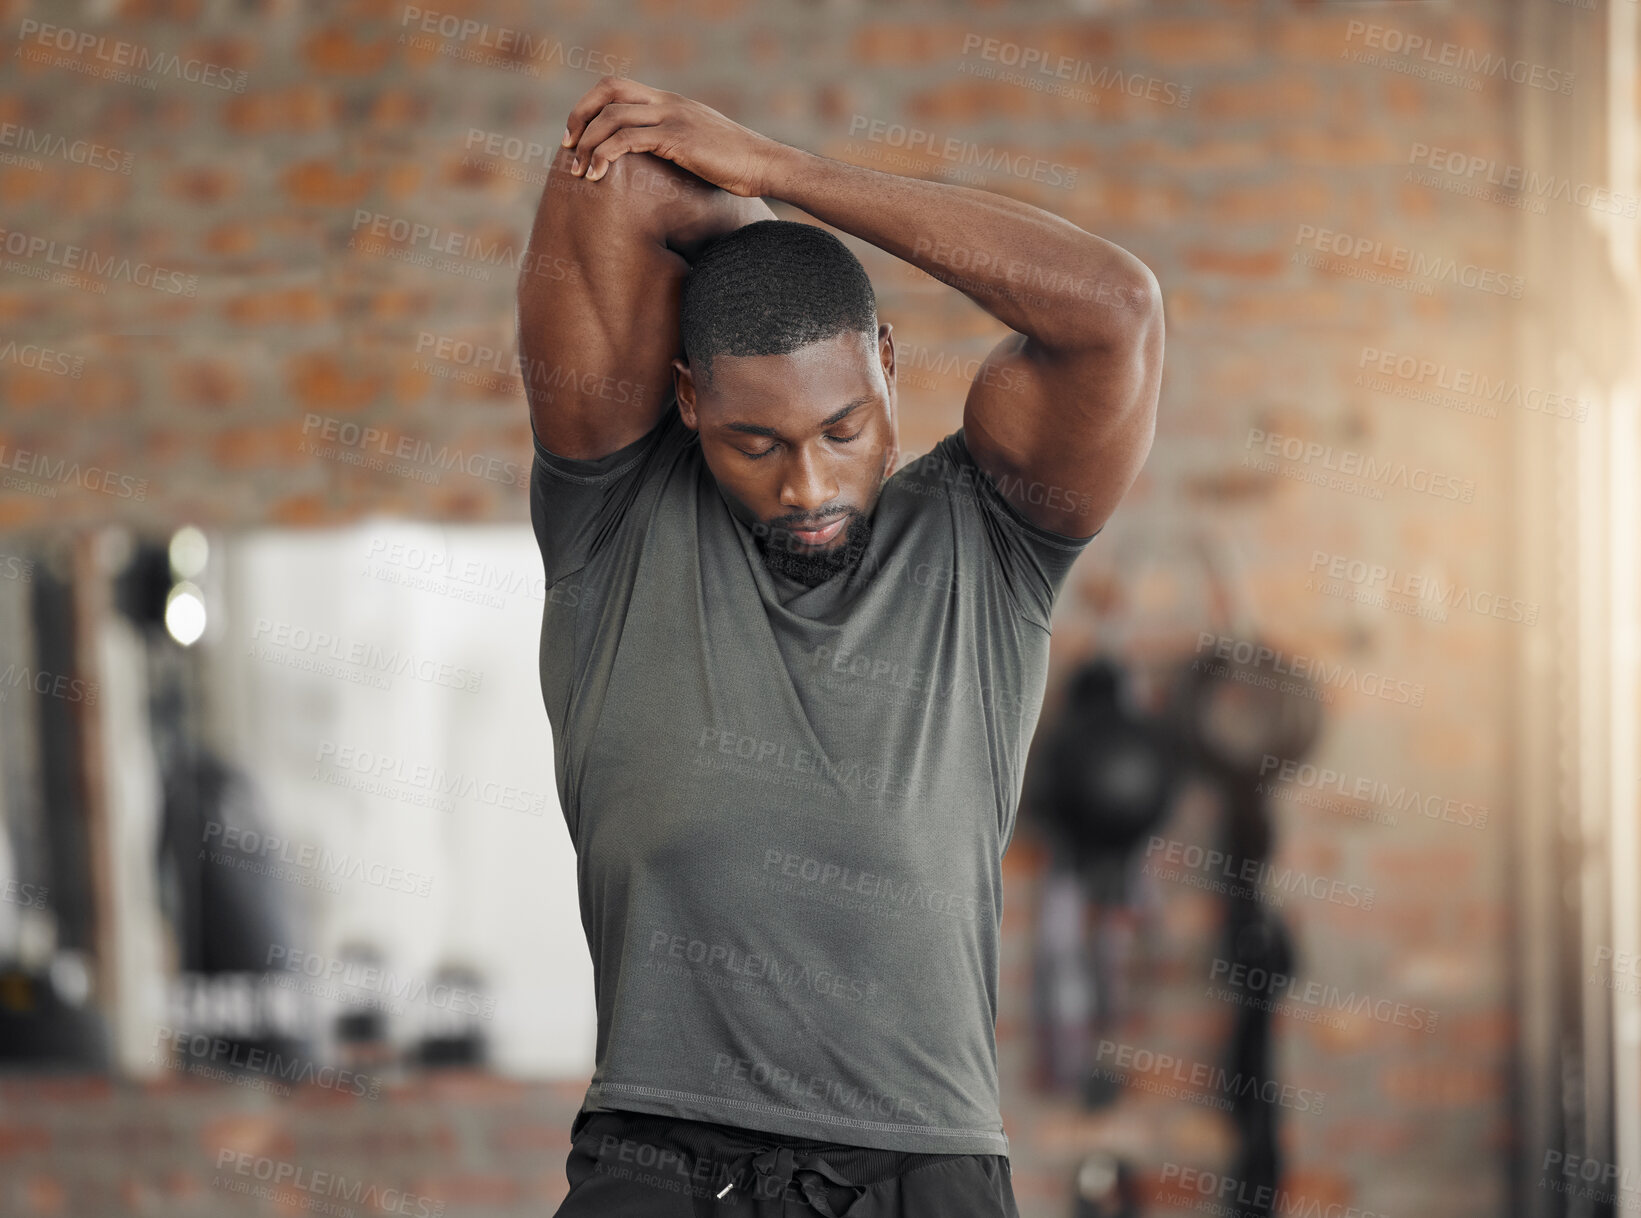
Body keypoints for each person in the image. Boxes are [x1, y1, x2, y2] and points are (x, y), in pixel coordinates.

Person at [517, 75, 1164, 1217]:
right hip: (660, 1167)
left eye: (842, 429)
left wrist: (781, 172)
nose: (806, 485)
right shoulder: (616, 520)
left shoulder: (989, 537)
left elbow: (1113, 308)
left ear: (889, 367)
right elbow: (613, 176)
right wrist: (756, 237)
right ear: (686, 401)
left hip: (924, 1171)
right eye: (754, 440)